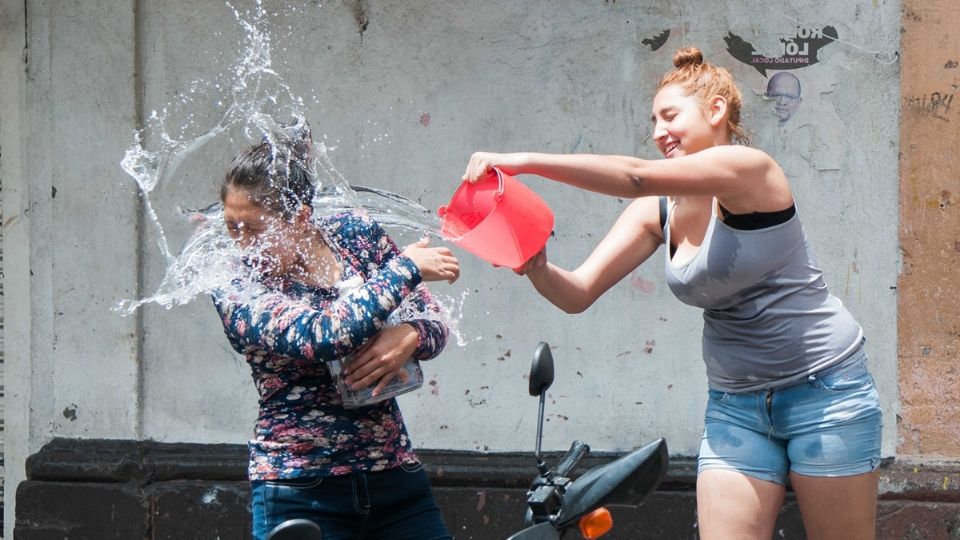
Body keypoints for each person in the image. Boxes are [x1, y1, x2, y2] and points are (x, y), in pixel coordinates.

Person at [462, 47, 880, 540]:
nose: (659, 131)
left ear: (717, 111)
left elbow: (635, 176)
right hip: (735, 406)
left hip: (825, 391)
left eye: (670, 115)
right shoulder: (660, 210)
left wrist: (522, 162)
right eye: (653, 121)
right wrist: (535, 264)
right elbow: (576, 294)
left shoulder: (750, 171)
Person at [212, 122, 460, 540]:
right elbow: (322, 335)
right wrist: (407, 268)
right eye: (231, 227)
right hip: (299, 487)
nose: (241, 244)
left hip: (394, 474)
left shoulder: (354, 236)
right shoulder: (233, 282)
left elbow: (436, 321)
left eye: (253, 229)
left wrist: (411, 335)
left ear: (301, 217)